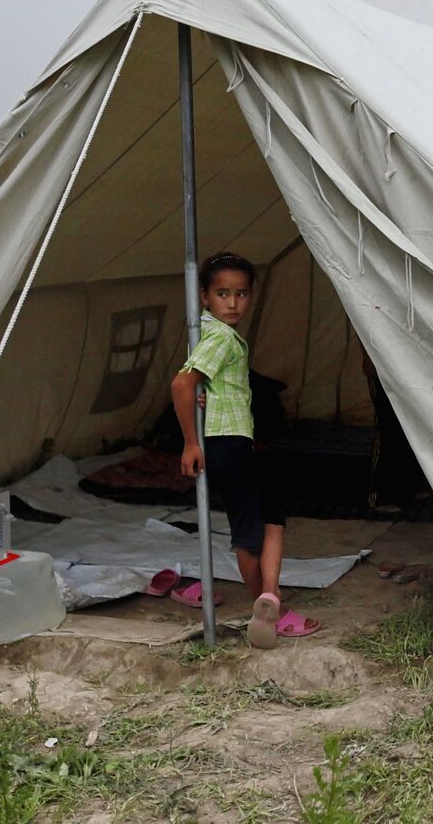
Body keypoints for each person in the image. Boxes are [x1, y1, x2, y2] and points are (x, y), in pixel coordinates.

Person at [171, 251, 321, 647]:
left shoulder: (219, 334)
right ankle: (264, 606)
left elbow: (203, 385)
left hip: (236, 440)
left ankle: (269, 597)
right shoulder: (220, 337)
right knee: (247, 533)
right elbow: (182, 384)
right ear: (204, 296)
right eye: (223, 294)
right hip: (226, 444)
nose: (233, 303)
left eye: (241, 294)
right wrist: (190, 442)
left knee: (272, 514)